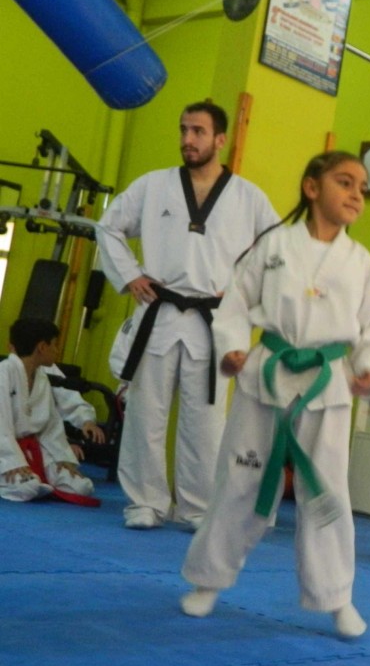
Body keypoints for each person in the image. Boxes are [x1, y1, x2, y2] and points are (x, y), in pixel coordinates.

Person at [180, 150, 370, 639]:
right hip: (267, 376)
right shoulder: (273, 245)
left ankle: (336, 597)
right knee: (240, 478)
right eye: (345, 182)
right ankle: (209, 579)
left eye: (362, 187)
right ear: (312, 188)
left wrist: (368, 368)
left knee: (327, 490)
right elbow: (235, 301)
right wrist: (233, 345)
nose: (356, 194)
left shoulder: (359, 261)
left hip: (326, 383)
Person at [97, 100, 279, 531]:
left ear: (220, 139)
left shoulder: (248, 198)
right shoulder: (153, 185)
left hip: (213, 321)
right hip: (158, 311)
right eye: (183, 130)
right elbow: (107, 226)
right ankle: (145, 502)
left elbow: (278, 253)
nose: (187, 139)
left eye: (198, 131)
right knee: (145, 413)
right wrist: (130, 275)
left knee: (206, 421)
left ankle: (198, 507)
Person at [0, 319, 94, 502]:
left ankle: (36, 478)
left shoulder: (41, 377)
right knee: (28, 487)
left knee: (81, 487)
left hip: (33, 448)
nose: (57, 351)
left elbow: (51, 424)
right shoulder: (3, 373)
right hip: (5, 451)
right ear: (42, 347)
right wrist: (12, 461)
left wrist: (62, 457)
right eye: (55, 345)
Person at [44, 365, 107, 460]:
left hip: (54, 436)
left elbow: (71, 402)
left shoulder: (47, 368)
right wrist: (62, 443)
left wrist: (87, 421)